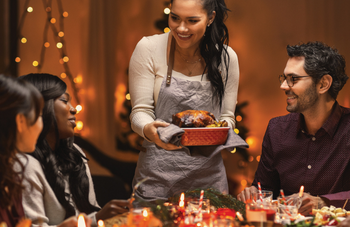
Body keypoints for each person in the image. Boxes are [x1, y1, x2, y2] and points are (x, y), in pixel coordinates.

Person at [129, 0, 240, 203]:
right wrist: (149, 130)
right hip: (157, 177)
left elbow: (227, 118)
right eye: (175, 18)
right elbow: (139, 111)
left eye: (192, 20)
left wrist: (217, 132)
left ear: (211, 18)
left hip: (209, 181)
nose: (181, 28)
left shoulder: (226, 58)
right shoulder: (149, 48)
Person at [237, 42, 350, 215]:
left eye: (294, 79)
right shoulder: (277, 130)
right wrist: (254, 194)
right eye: (284, 78)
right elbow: (264, 191)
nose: (283, 86)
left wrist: (323, 202)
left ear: (323, 84)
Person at [17, 73, 131, 227]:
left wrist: (99, 217)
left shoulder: (74, 153)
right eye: (64, 100)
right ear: (40, 108)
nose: (73, 109)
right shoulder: (25, 165)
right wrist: (94, 220)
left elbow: (85, 215)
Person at [0, 75, 91, 227]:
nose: (42, 125)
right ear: (21, 121)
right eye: (39, 116)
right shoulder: (21, 167)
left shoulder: (8, 175)